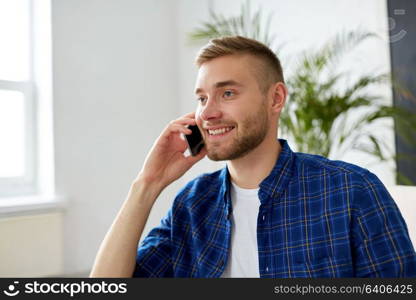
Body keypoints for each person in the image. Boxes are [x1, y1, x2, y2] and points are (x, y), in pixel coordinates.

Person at [90, 35, 416, 278]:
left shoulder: (351, 191)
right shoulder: (192, 205)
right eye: (202, 98)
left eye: (227, 93)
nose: (208, 113)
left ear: (275, 99)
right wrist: (147, 184)